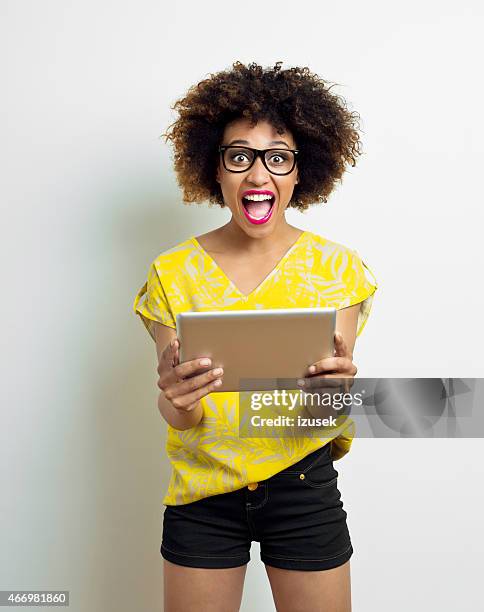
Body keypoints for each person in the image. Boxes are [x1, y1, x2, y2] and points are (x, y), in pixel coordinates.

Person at [133, 61, 378, 612]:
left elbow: (327, 414)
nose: (258, 175)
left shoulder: (339, 270)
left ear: (300, 171)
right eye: (240, 156)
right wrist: (176, 398)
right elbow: (183, 416)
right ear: (215, 169)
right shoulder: (171, 274)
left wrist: (336, 395)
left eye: (278, 157)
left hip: (304, 488)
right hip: (203, 496)